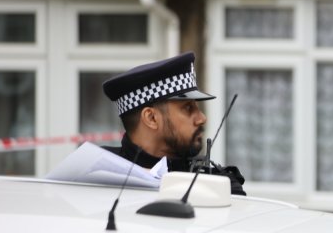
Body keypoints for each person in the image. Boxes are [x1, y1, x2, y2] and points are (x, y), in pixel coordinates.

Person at [101, 52, 246, 195]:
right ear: (151, 118)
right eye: (188, 108)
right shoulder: (98, 175)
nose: (202, 118)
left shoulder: (218, 186)